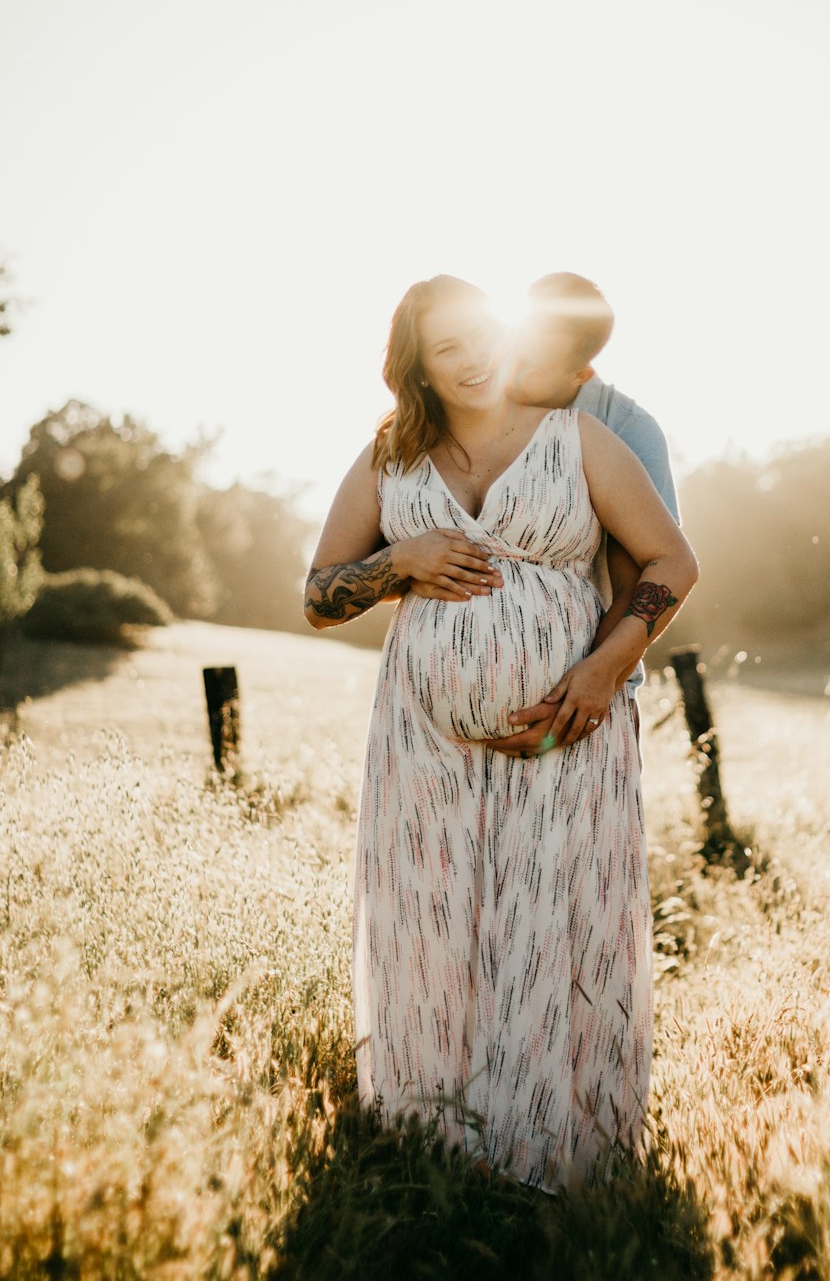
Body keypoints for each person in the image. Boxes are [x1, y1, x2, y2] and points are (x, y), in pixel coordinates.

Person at [304, 275, 698, 1190]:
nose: (476, 355)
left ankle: (559, 1153)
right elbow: (320, 597)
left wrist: (602, 670)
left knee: (553, 925)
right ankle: (432, 1143)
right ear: (418, 366)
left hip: (568, 732)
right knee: (429, 927)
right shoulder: (385, 462)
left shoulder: (581, 437)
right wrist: (396, 562)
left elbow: (673, 558)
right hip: (423, 745)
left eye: (483, 333)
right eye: (449, 347)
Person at [408, 271, 680, 760]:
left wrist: (589, 681)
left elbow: (649, 575)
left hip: (585, 705)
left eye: (529, 363)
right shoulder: (482, 410)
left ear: (580, 374)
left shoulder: (623, 430)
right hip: (443, 732)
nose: (505, 368)